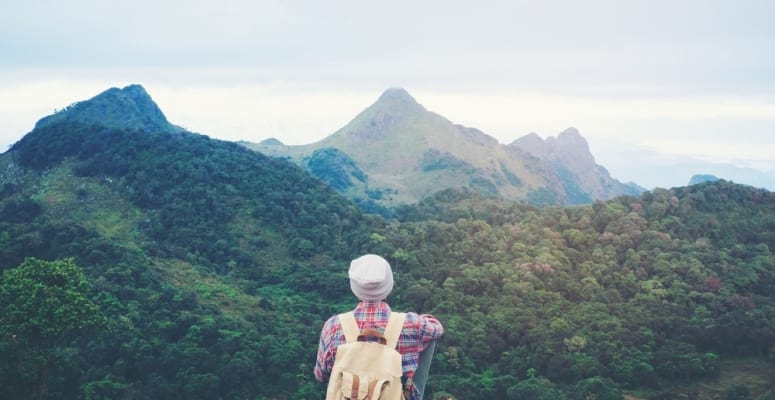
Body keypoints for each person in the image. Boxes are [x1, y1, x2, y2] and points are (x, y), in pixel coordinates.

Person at [314, 254, 444, 399]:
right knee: (429, 340)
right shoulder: (411, 324)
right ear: (388, 285)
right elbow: (437, 329)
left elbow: (321, 375)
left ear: (354, 288)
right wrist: (423, 319)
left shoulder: (333, 326)